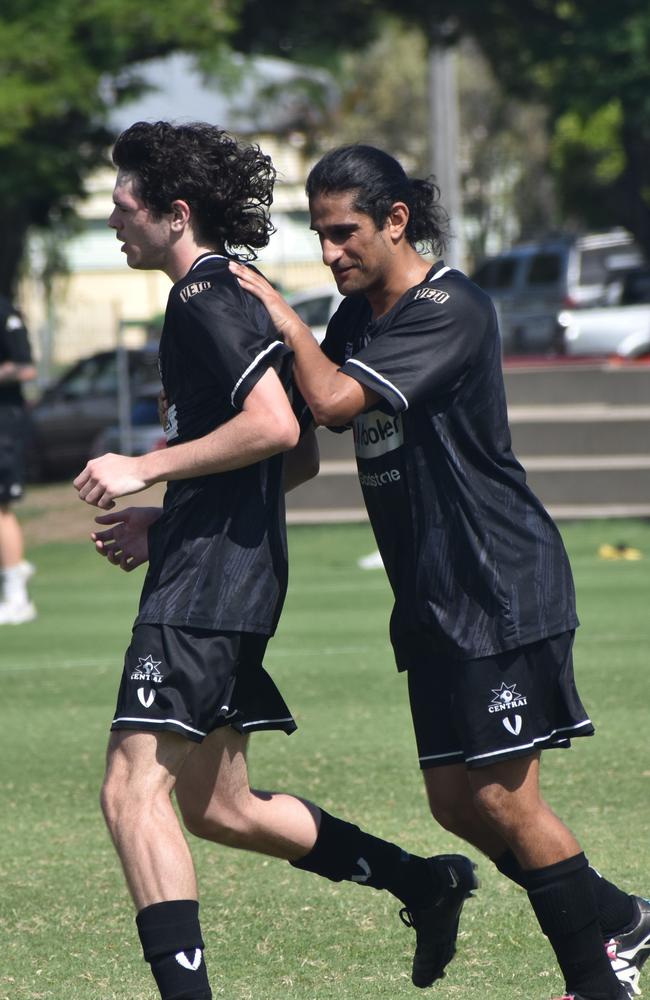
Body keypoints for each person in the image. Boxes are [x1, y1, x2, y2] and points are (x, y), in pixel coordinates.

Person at [229, 144, 650, 1000]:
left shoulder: (450, 306)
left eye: (345, 233)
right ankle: (620, 918)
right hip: (428, 596)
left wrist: (277, 310)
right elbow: (308, 440)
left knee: (503, 802)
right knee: (453, 803)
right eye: (317, 236)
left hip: (496, 583)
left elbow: (339, 402)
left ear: (396, 221)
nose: (329, 252)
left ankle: (596, 982)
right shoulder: (357, 321)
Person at [73, 121, 478, 1000]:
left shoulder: (204, 298)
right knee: (217, 807)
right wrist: (166, 519)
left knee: (129, 794)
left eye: (123, 205)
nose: (112, 219)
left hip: (209, 587)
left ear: (173, 214)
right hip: (221, 571)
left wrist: (144, 466)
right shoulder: (220, 295)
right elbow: (291, 460)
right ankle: (421, 880)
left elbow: (277, 427)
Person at [0, 295, 37, 625]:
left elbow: (26, 367)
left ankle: (16, 597)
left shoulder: (3, 310)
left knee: (0, 507)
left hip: (4, 424)